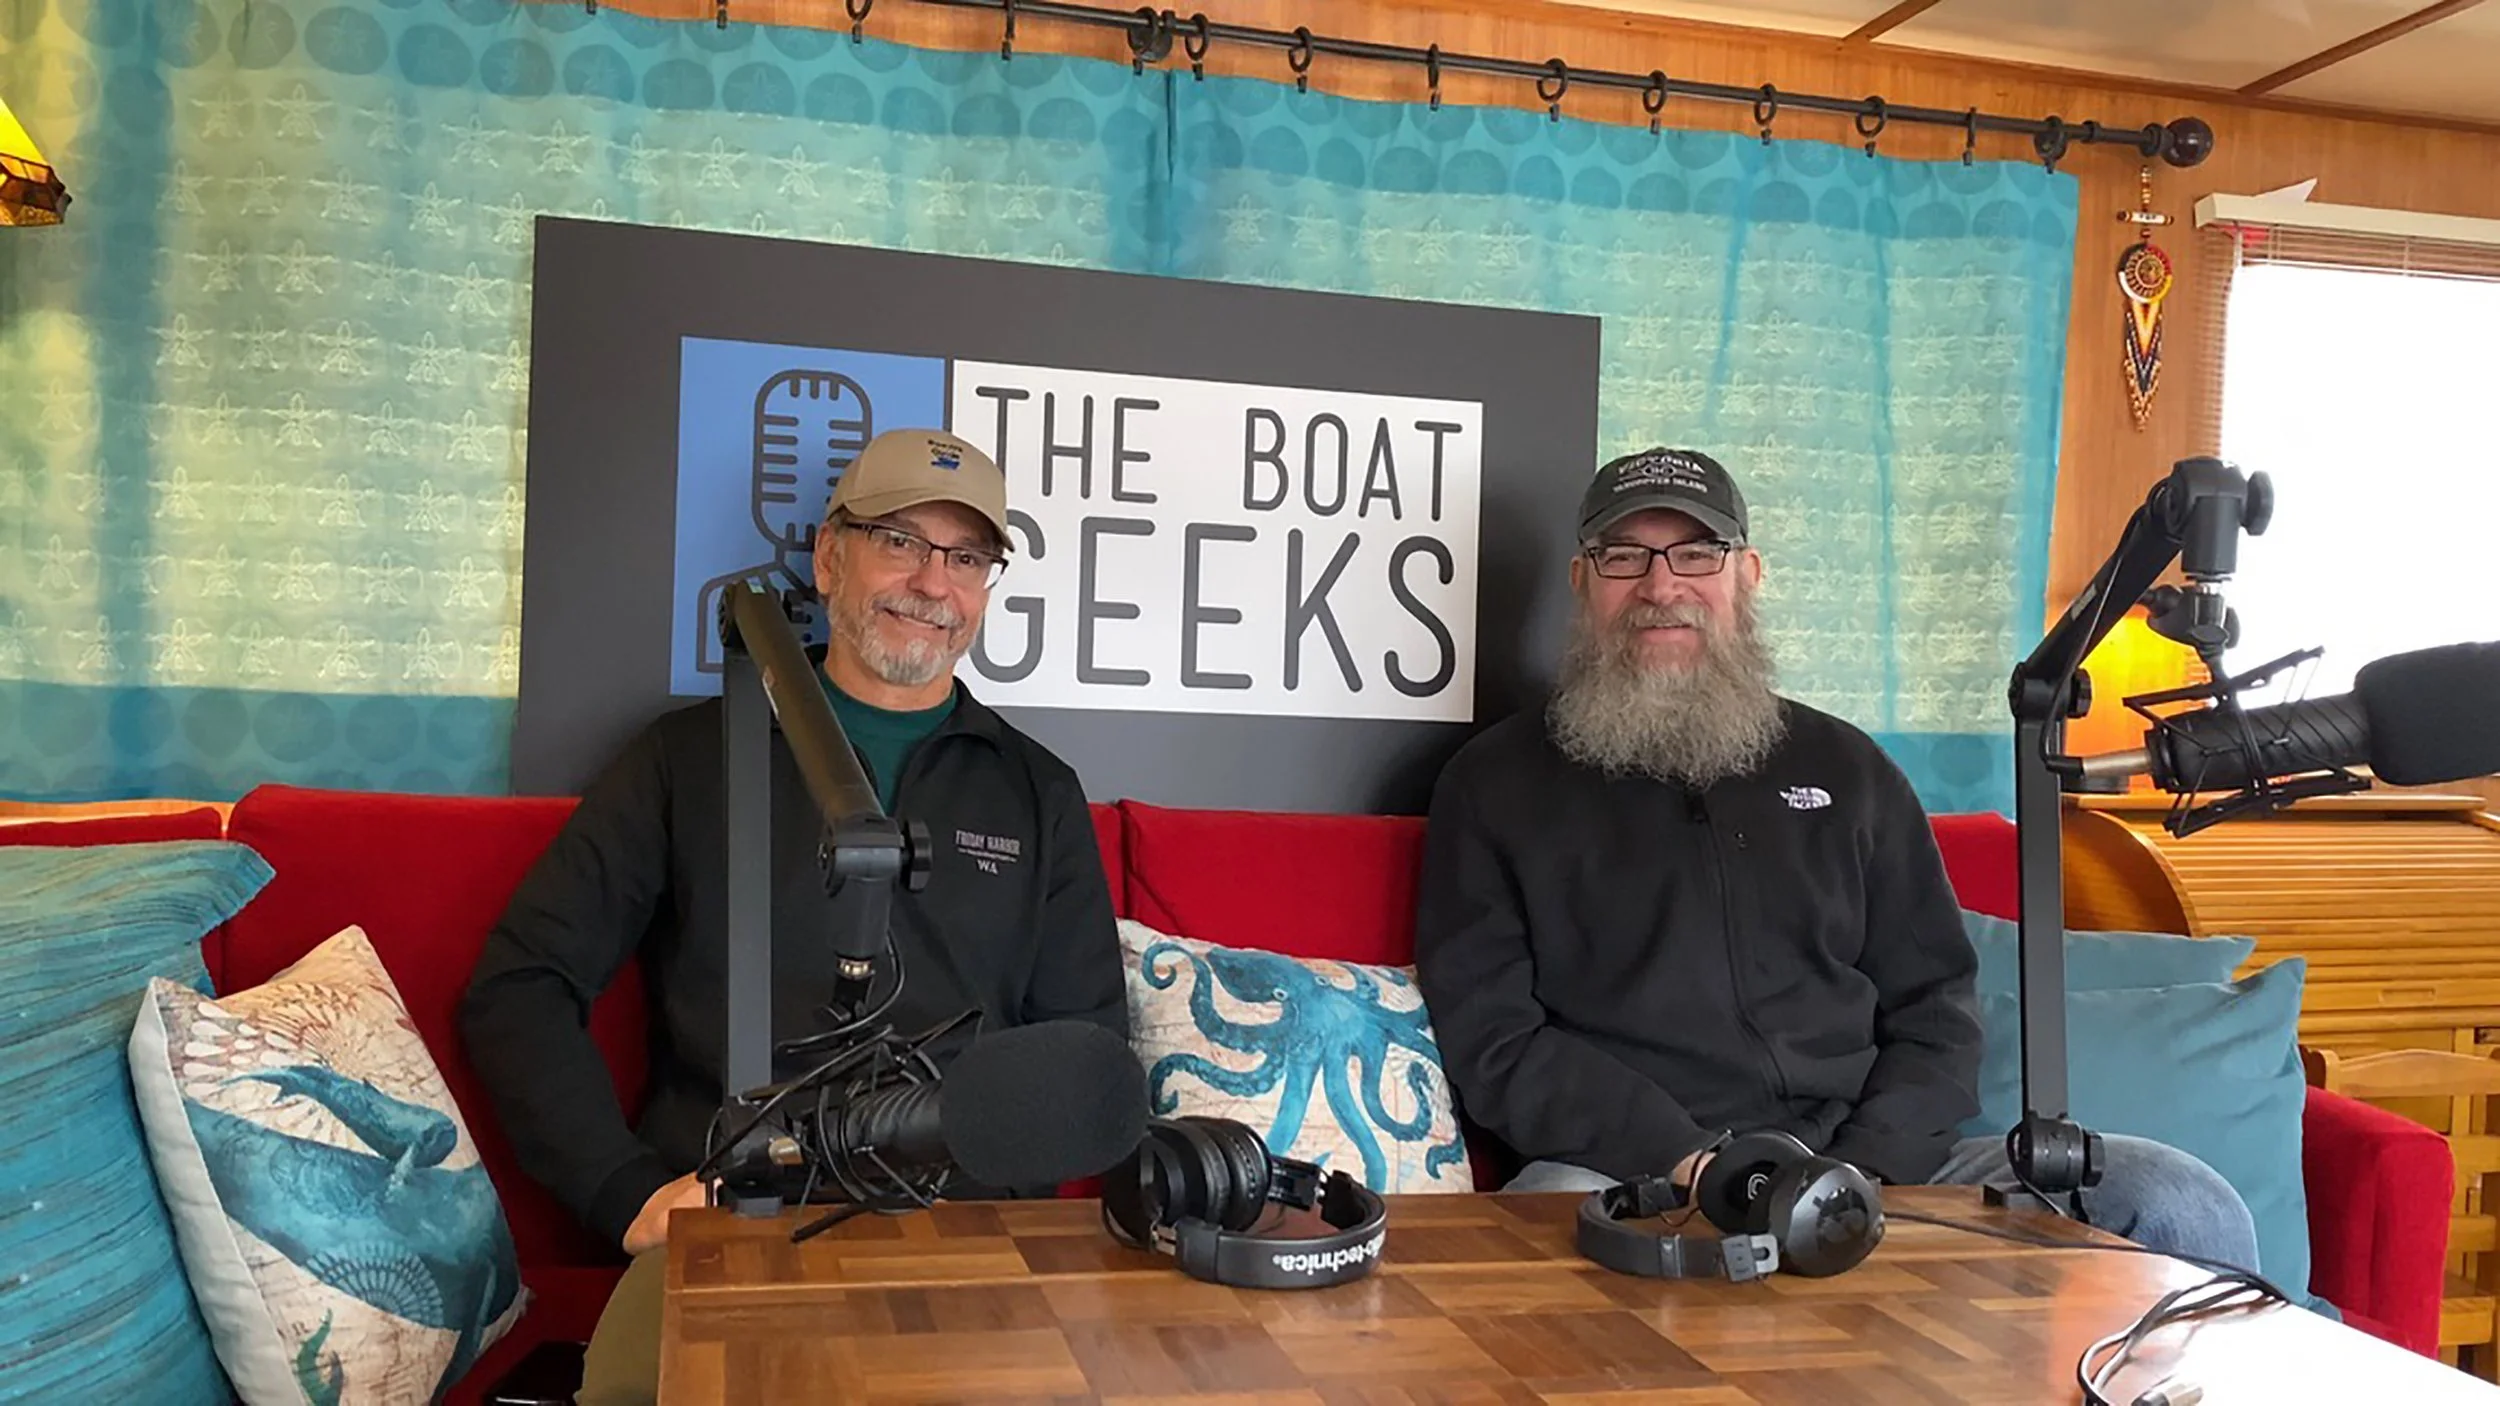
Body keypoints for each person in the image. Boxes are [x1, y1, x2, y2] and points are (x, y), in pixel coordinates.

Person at [1412, 446, 2259, 1269]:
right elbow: (1497, 1042)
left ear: (1747, 575)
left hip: (1880, 1169)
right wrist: (1691, 1162)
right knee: (1541, 1235)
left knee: (2178, 1199)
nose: (1661, 587)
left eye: (1698, 553)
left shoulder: (1848, 769)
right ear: (1581, 581)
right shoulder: (1493, 785)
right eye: (1625, 555)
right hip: (1630, 1169)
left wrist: (1864, 1174)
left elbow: (1936, 1006)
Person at [459, 429, 1124, 1405]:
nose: (932, 584)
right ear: (828, 556)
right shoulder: (689, 757)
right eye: (899, 540)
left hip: (961, 1236)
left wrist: (1000, 1211)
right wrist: (625, 1191)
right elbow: (519, 987)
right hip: (734, 1218)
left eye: (967, 557)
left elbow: (1086, 1045)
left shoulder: (1038, 791)